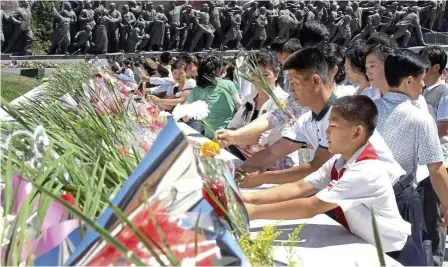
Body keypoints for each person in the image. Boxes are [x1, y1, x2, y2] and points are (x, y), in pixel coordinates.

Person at [243, 95, 424, 266]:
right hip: (369, 247)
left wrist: (250, 212)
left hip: (395, 255)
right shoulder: (340, 161)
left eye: (333, 125)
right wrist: (246, 198)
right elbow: (300, 187)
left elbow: (311, 206)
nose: (327, 131)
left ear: (356, 132)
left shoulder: (366, 171)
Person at [235, 46, 404, 190]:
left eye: (294, 83)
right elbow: (273, 153)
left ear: (315, 81)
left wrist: (263, 178)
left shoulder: (341, 116)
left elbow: (315, 167)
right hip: (359, 193)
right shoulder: (307, 119)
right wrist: (241, 171)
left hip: (392, 191)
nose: (290, 90)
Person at [376, 50, 448, 265]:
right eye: (421, 80)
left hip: (365, 197)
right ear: (409, 80)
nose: (423, 86)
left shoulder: (367, 110)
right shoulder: (420, 118)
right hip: (400, 200)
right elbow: (436, 169)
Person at [226, 51, 289, 161]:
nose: (259, 79)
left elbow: (262, 139)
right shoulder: (249, 99)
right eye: (254, 74)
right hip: (245, 156)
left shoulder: (283, 101)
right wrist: (227, 134)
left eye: (265, 75)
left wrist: (233, 137)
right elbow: (235, 124)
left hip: (271, 162)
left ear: (276, 74)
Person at [419, 45, 448, 267]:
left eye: (425, 65)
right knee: (423, 215)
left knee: (434, 215)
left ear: (436, 68)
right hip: (421, 161)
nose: (420, 68)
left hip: (439, 160)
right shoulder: (421, 90)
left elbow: (444, 127)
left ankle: (436, 261)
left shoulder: (444, 92)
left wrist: (420, 139)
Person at [184, 51, 239, 138]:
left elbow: (185, 117)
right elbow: (239, 108)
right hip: (230, 136)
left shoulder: (196, 90)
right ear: (219, 69)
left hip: (209, 137)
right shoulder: (229, 84)